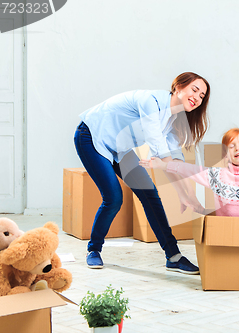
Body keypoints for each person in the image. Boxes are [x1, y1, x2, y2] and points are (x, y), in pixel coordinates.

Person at [74, 72, 210, 273]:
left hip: (119, 149)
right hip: (92, 137)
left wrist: (185, 194)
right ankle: (93, 250)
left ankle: (173, 256)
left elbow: (174, 161)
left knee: (150, 194)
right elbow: (162, 155)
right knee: (113, 198)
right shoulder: (151, 102)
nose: (197, 98)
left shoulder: (173, 120)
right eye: (194, 90)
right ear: (179, 87)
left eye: (202, 96)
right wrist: (185, 194)